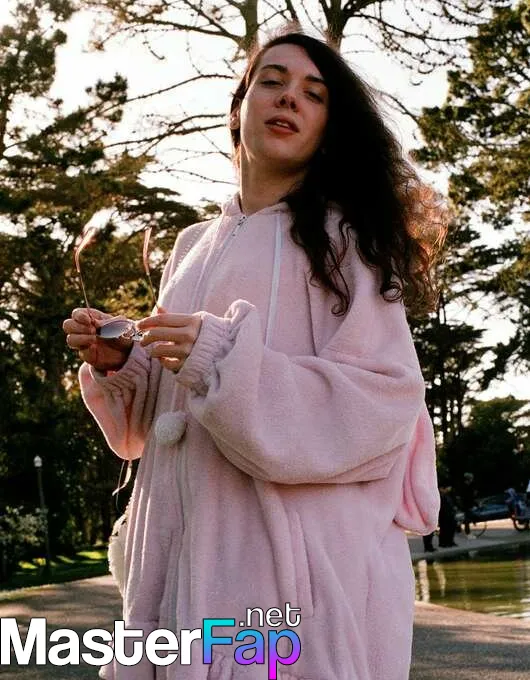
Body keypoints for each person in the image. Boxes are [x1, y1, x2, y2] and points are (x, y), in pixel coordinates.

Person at [63, 27, 447, 680]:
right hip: (174, 569)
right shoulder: (190, 246)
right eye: (272, 81)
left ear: (328, 128)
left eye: (313, 93)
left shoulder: (345, 243)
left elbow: (384, 403)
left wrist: (221, 360)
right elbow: (165, 422)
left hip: (285, 584)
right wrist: (123, 364)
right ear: (239, 106)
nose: (289, 97)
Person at [460, 471, 478, 537]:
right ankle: (467, 532)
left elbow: (471, 496)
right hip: (466, 505)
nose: (472, 480)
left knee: (468, 517)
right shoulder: (465, 486)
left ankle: (466, 529)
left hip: (468, 504)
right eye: (471, 478)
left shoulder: (469, 486)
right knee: (467, 518)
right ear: (468, 479)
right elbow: (468, 497)